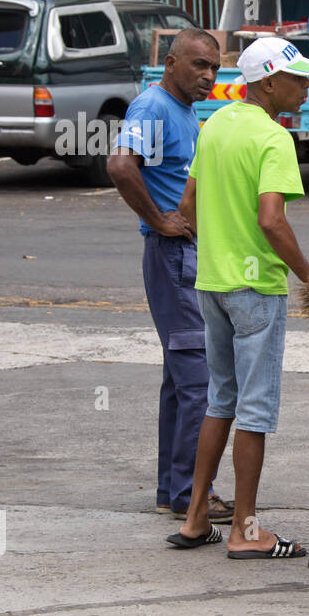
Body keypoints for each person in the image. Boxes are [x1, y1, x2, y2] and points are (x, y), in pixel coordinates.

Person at [166, 36, 309, 559]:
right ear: (268, 82)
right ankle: (245, 531)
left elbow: (187, 203)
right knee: (254, 409)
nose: (306, 86)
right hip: (256, 289)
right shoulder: (274, 139)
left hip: (211, 283)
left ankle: (195, 519)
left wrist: (218, 248)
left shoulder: (217, 125)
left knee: (220, 400)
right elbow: (272, 220)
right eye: (298, 78)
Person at [107, 28, 233, 524]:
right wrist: (160, 218)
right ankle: (189, 495)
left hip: (184, 257)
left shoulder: (181, 110)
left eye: (215, 69)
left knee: (179, 381)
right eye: (200, 65)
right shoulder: (153, 107)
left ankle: (172, 488)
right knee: (199, 381)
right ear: (171, 61)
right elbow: (120, 165)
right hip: (173, 256)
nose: (208, 77)